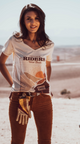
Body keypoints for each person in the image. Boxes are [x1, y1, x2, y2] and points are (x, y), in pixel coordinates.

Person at [0, 3, 54, 144]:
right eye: (28, 18)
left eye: (36, 18)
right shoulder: (15, 41)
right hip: (20, 98)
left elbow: (48, 66)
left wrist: (47, 84)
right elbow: (1, 63)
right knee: (17, 141)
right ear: (23, 21)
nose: (33, 22)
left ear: (41, 21)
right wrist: (13, 86)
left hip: (43, 98)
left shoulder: (49, 44)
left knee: (45, 141)